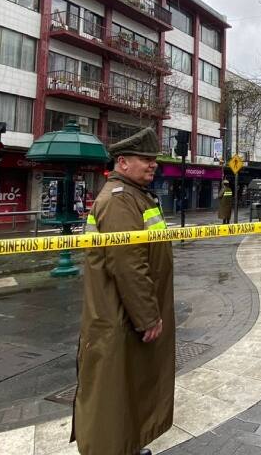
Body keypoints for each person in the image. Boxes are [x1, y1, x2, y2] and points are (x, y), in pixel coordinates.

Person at [72, 127, 173, 455]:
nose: (152, 165)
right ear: (123, 162)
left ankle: (127, 445)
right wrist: (147, 316)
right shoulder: (119, 200)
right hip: (120, 317)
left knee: (129, 387)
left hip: (124, 315)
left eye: (154, 160)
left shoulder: (134, 195)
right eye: (146, 159)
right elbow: (128, 264)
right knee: (113, 390)